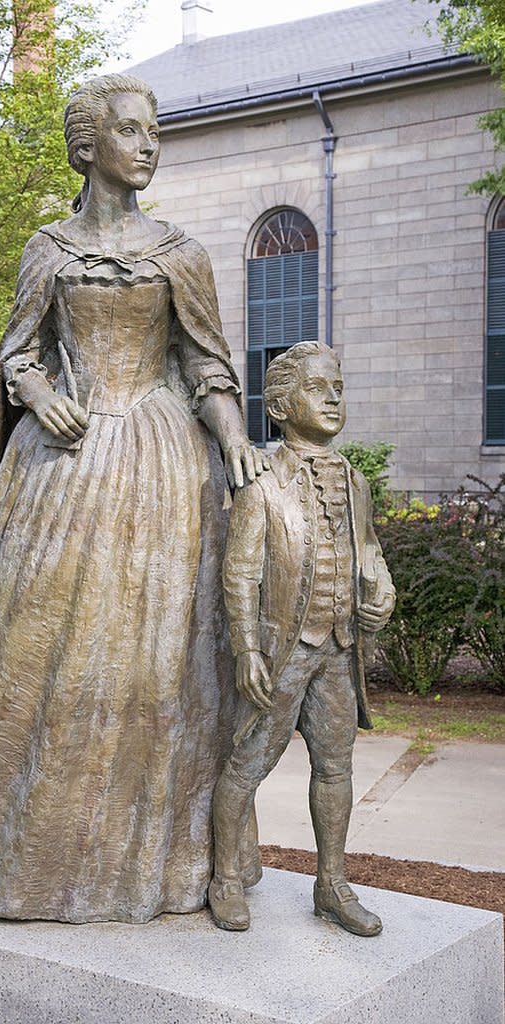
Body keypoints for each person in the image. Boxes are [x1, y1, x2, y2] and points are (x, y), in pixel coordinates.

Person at [0, 74, 266, 924]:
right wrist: (37, 393)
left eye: (154, 131)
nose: (148, 144)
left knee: (154, 661)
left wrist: (232, 435)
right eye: (129, 130)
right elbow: (17, 354)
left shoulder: (179, 253)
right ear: (89, 147)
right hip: (58, 465)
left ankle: (149, 861)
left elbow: (206, 365)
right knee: (26, 643)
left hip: (158, 468)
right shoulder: (48, 248)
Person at [209, 342, 395, 934]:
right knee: (248, 764)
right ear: (283, 406)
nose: (334, 397)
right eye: (319, 388)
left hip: (339, 652)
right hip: (284, 650)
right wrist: (246, 648)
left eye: (338, 386)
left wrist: (380, 589)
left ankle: (332, 884)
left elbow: (367, 548)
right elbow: (240, 570)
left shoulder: (356, 482)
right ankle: (226, 878)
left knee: (335, 766)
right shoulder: (262, 482)